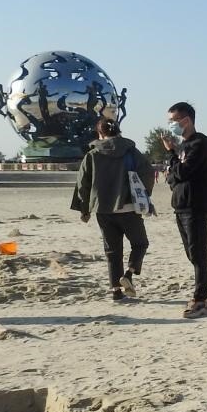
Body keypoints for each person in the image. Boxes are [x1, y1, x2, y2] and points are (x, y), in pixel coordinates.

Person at [70, 118, 153, 302]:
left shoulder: (92, 155)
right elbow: (147, 172)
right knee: (140, 243)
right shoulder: (131, 151)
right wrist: (145, 195)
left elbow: (83, 184)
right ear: (118, 131)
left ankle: (116, 291)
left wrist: (85, 209)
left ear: (100, 133)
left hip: (103, 210)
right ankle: (129, 274)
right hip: (129, 208)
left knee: (112, 251)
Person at [162, 101, 207, 318]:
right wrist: (174, 165)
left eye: (173, 121)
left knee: (198, 252)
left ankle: (201, 298)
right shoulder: (183, 146)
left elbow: (183, 172)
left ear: (186, 120)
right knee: (192, 253)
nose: (171, 125)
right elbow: (172, 178)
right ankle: (203, 295)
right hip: (181, 205)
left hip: (196, 206)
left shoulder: (200, 143)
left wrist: (171, 154)